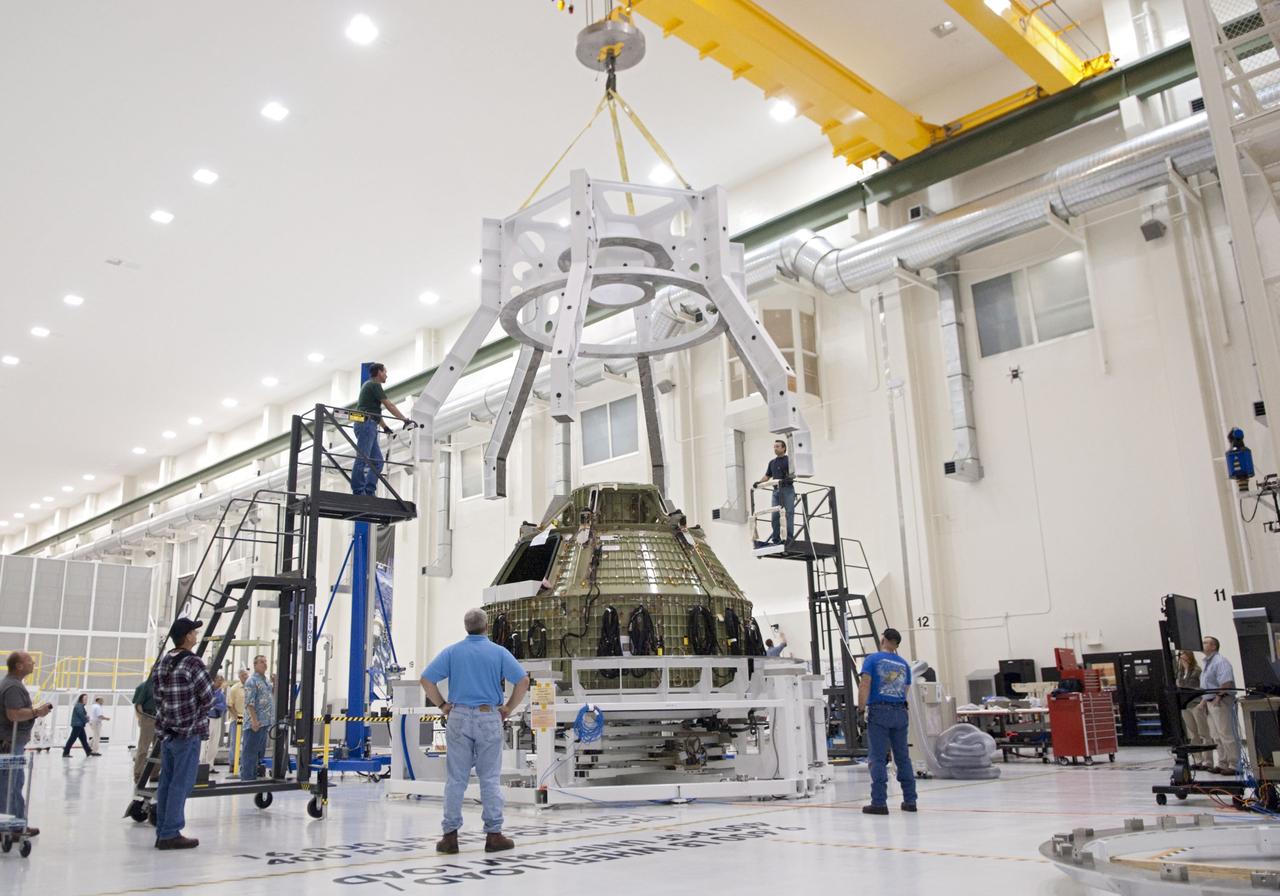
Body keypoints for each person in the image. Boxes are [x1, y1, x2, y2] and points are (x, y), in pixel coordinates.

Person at [420, 608, 529, 855]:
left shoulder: (452, 652)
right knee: (489, 778)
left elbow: (426, 679)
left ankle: (449, 837)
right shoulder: (498, 652)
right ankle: (494, 835)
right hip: (488, 716)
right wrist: (508, 707)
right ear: (487, 626)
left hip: (458, 716)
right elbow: (522, 681)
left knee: (456, 779)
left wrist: (442, 705)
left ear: (466, 627)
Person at [153, 618, 216, 849]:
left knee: (167, 783)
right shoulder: (193, 663)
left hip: (167, 733)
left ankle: (163, 831)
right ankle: (170, 833)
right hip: (188, 733)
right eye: (194, 632)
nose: (196, 635)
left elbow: (157, 697)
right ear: (187, 636)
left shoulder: (163, 662)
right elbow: (208, 697)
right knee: (181, 784)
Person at [858, 628, 918, 815]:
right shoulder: (904, 664)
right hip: (900, 712)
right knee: (903, 758)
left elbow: (865, 684)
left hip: (879, 711)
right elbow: (906, 690)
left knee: (877, 758)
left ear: (883, 639)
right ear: (897, 644)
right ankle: (910, 801)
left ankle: (879, 803)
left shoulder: (872, 660)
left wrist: (860, 710)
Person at [1, 651, 53, 837]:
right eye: (30, 661)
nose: (33, 664)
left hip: (13, 741)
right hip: (10, 741)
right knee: (9, 785)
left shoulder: (12, 684)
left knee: (14, 783)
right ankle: (9, 826)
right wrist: (36, 712)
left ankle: (17, 823)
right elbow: (13, 714)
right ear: (19, 666)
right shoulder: (13, 687)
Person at [352, 362, 410, 496]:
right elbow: (389, 405)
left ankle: (369, 491)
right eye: (385, 372)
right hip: (366, 424)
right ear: (379, 372)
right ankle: (358, 491)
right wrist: (404, 419)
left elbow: (374, 412)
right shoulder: (374, 385)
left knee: (377, 461)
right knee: (363, 458)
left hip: (369, 424)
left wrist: (385, 427)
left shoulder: (369, 385)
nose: (386, 375)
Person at [1200, 636, 1242, 775]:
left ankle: (1235, 765)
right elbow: (1207, 685)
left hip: (1221, 700)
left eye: (1206, 642)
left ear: (1214, 646)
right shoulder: (1207, 663)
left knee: (1226, 734)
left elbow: (1226, 682)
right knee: (1216, 735)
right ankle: (1222, 763)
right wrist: (1204, 701)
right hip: (1210, 701)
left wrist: (1218, 697)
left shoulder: (1220, 661)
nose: (1202, 644)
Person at [1176, 650, 1212, 769]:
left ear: (1189, 657)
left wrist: (1203, 703)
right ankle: (1197, 760)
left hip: (1196, 704)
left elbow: (1203, 688)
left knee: (1203, 733)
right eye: (1180, 656)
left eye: (1184, 655)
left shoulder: (1197, 671)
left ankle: (1208, 761)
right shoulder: (1180, 673)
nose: (1182, 658)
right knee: (1193, 734)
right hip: (1185, 705)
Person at [240, 655, 273, 781]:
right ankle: (247, 778)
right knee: (250, 752)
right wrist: (254, 720)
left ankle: (253, 776)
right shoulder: (252, 681)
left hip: (264, 722)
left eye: (265, 661)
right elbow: (249, 703)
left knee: (258, 753)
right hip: (254, 724)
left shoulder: (266, 681)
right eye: (262, 662)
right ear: (255, 665)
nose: (265, 664)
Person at [755, 439, 795, 544]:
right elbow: (767, 476)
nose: (775, 448)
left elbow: (793, 474)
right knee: (775, 515)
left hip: (787, 489)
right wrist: (759, 482)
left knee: (788, 513)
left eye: (777, 446)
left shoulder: (789, 460)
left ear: (783, 448)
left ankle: (789, 538)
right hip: (776, 491)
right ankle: (776, 538)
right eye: (774, 447)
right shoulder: (772, 463)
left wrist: (788, 478)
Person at [132, 672, 158, 785]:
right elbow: (138, 705)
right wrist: (142, 719)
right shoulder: (144, 686)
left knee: (159, 750)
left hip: (160, 718)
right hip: (148, 718)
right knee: (143, 748)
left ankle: (155, 774)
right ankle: (138, 775)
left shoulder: (162, 686)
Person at [202, 674, 227, 771]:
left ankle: (210, 765)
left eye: (221, 680)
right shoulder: (209, 692)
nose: (220, 682)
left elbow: (223, 707)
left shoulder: (221, 694)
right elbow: (208, 704)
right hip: (209, 719)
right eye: (218, 680)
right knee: (205, 743)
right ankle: (202, 764)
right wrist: (214, 705)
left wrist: (215, 706)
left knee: (214, 743)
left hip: (217, 719)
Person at [227, 668, 247, 775]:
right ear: (239, 677)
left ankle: (245, 764)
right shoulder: (234, 689)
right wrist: (237, 717)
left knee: (247, 743)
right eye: (243, 675)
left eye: (246, 675)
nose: (245, 677)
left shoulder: (250, 687)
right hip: (237, 720)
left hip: (248, 720)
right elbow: (230, 705)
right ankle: (232, 763)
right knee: (235, 742)